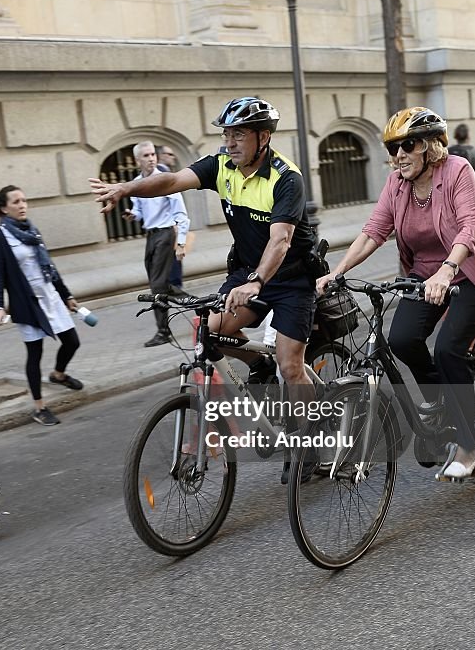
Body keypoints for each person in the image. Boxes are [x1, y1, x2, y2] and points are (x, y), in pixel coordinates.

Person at [92, 97, 318, 481]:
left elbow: (280, 242)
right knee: (209, 332)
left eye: (239, 135)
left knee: (290, 365)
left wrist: (258, 282)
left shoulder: (286, 178)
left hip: (290, 278)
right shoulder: (222, 166)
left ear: (263, 137)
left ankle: (312, 439)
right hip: (247, 271)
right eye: (226, 134)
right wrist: (126, 188)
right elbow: (171, 180)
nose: (230, 141)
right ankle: (256, 363)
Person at [316, 107, 475, 480]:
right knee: (401, 339)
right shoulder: (397, 184)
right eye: (392, 148)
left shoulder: (457, 170)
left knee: (449, 349)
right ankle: (439, 402)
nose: (398, 155)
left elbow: (471, 226)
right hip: (423, 274)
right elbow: (374, 231)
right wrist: (337, 272)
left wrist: (448, 270)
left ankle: (468, 449)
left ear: (430, 145)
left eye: (408, 145)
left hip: (470, 271)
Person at [0, 185, 83, 426]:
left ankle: (58, 374)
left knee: (72, 341)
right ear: (4, 208)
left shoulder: (32, 230)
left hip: (49, 295)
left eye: (24, 200)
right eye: (16, 201)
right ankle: (40, 408)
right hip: (27, 303)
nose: (22, 205)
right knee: (35, 353)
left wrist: (66, 294)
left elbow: (50, 267)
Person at [122, 141, 190, 347]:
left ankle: (163, 332)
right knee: (158, 284)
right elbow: (140, 211)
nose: (151, 158)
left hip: (166, 233)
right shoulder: (137, 183)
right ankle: (194, 301)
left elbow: (181, 214)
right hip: (151, 235)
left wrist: (181, 243)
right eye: (146, 155)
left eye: (153, 154)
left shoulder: (165, 180)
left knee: (157, 286)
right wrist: (133, 215)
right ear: (137, 160)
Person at [157, 144, 188, 296]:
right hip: (170, 227)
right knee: (174, 259)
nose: (173, 157)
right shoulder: (162, 174)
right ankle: (173, 288)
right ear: (160, 156)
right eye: (169, 154)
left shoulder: (165, 173)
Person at [448, 123, 475, 188]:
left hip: (451, 187)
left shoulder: (448, 151)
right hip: (469, 186)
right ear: (468, 136)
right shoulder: (474, 151)